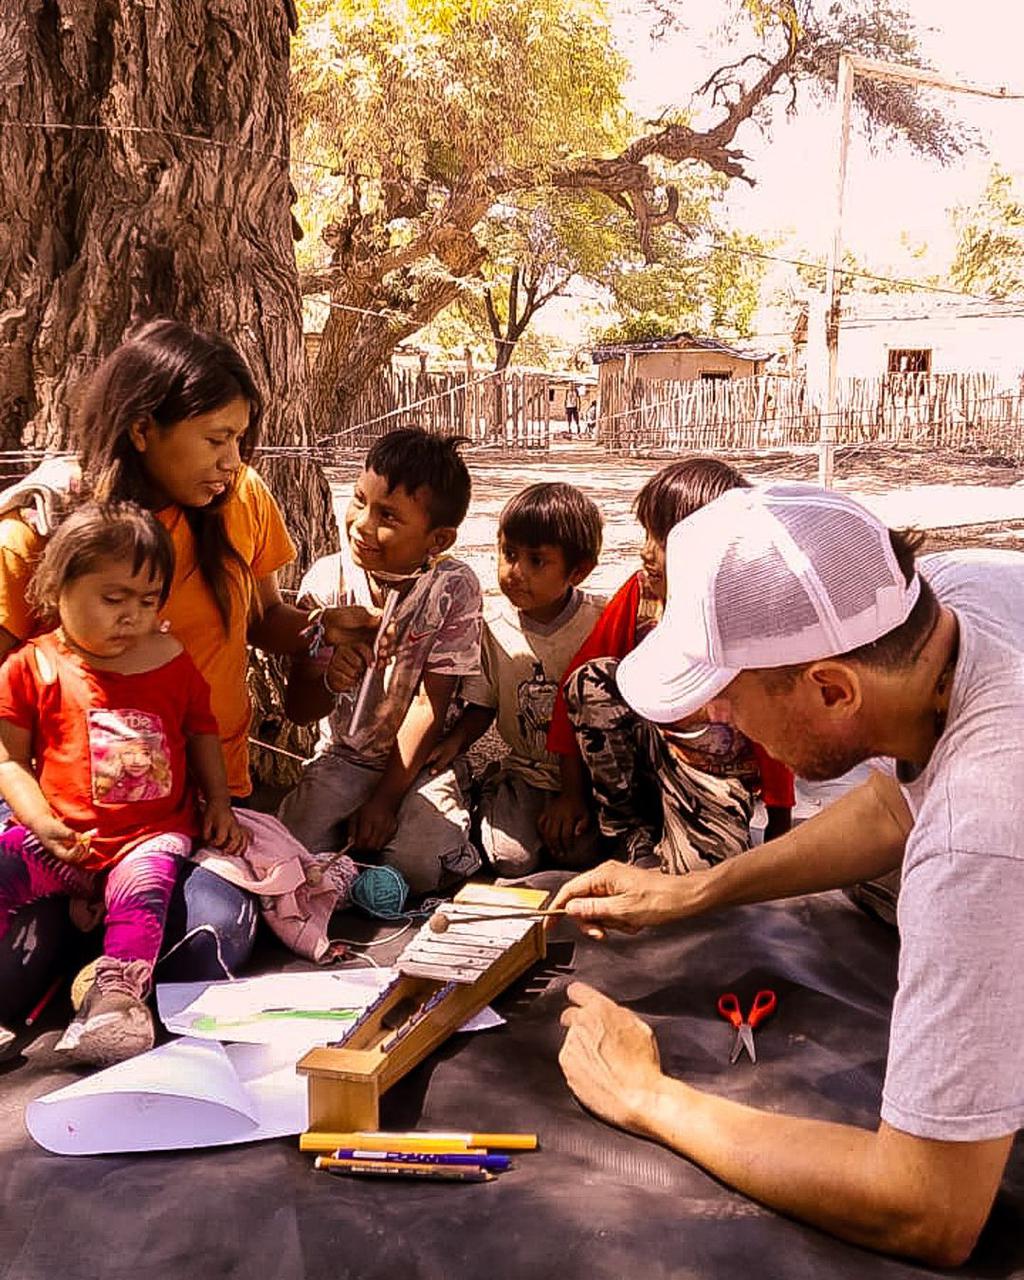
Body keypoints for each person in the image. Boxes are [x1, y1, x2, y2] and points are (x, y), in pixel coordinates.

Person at [552, 482, 1024, 1266]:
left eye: (729, 699)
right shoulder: (953, 598)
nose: (719, 722)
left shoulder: (978, 841)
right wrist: (695, 889)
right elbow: (894, 804)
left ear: (833, 689)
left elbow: (928, 1208)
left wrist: (649, 1097)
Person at [0, 320, 372, 1017]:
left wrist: (323, 630)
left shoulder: (244, 501)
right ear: (143, 430)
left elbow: (264, 623)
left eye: (239, 439)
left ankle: (105, 961)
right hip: (60, 822)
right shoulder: (44, 528)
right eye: (214, 438)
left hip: (195, 819)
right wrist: (40, 820)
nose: (232, 460)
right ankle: (86, 949)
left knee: (204, 947)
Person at [0, 503, 248, 1065]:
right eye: (113, 599)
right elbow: (8, 761)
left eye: (148, 599)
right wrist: (41, 822)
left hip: (148, 836)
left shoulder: (171, 660)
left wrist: (220, 805)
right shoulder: (30, 666)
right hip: (61, 837)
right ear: (57, 587)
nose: (132, 615)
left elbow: (202, 731)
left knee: (144, 898)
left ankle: (117, 1003)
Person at [546, 458, 793, 872]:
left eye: (661, 540)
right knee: (593, 680)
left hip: (711, 774)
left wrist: (780, 828)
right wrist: (570, 793)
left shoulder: (745, 619)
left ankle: (677, 837)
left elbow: (777, 728)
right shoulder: (640, 595)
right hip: (642, 760)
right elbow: (578, 681)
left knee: (705, 872)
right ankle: (631, 835)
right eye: (647, 534)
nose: (646, 552)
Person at [277, 429, 483, 894]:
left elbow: (430, 707)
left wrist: (386, 801)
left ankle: (455, 818)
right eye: (359, 501)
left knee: (416, 866)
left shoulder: (453, 588)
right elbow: (300, 709)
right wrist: (327, 678)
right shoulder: (328, 582)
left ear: (439, 538)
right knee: (290, 857)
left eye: (387, 515)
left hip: (420, 763)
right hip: (344, 758)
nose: (362, 525)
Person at [430, 483, 605, 878]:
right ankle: (493, 791)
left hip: (590, 778)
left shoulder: (599, 622)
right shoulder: (493, 629)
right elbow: (483, 702)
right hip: (526, 772)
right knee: (510, 861)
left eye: (537, 561)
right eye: (508, 554)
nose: (515, 572)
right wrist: (454, 742)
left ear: (578, 571)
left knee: (580, 854)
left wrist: (573, 795)